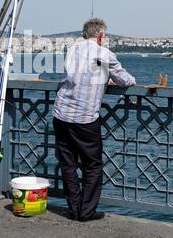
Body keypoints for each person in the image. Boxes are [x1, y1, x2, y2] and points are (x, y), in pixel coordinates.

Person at [53, 18, 136, 222]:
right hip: (85, 119)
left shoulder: (73, 50)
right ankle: (86, 212)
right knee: (92, 165)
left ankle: (74, 209)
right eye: (105, 36)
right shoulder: (104, 54)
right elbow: (125, 79)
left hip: (61, 114)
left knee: (68, 164)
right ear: (99, 35)